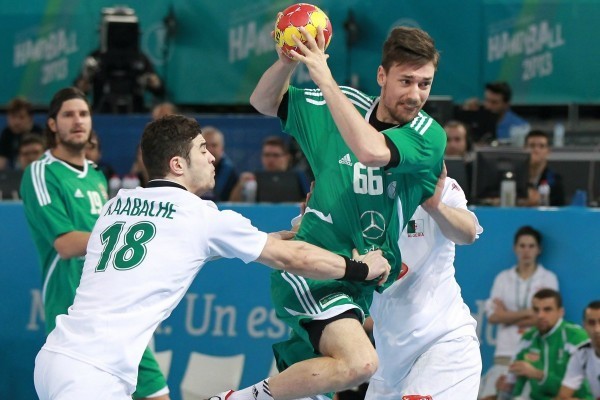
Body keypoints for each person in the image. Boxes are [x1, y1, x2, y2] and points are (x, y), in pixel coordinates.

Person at [32, 114, 391, 400]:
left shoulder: (117, 204)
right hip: (95, 373)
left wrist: (288, 233)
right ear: (178, 164)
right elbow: (292, 259)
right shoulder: (199, 216)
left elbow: (179, 248)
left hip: (58, 357)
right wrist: (361, 268)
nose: (212, 157)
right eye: (202, 149)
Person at [214, 24, 446, 400]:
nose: (415, 94)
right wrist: (287, 62)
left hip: (359, 285)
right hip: (314, 269)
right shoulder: (341, 101)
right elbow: (264, 102)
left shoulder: (427, 135)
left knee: (314, 383)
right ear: (382, 76)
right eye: (406, 81)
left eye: (425, 84)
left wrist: (324, 77)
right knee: (361, 363)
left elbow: (371, 151)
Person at [20, 87, 170, 400]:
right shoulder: (41, 172)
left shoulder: (96, 176)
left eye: (84, 114)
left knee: (157, 393)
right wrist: (134, 237)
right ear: (52, 124)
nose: (78, 121)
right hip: (73, 316)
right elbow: (65, 244)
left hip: (114, 312)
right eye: (68, 115)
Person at [366, 167, 483, 399]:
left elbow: (468, 233)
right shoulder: (360, 190)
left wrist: (435, 206)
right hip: (389, 364)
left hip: (442, 344)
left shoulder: (437, 186)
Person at [479, 225, 559, 400]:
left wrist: (506, 316)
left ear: (539, 249)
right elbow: (493, 316)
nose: (526, 251)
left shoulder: (548, 278)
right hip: (504, 354)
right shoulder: (502, 278)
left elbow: (548, 319)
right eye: (522, 246)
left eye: (531, 246)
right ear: (515, 248)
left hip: (535, 355)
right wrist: (528, 313)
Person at [501, 289, 592, 399]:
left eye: (547, 310)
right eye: (536, 310)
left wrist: (538, 375)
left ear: (561, 312)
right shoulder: (528, 338)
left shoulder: (577, 338)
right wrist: (505, 388)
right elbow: (514, 383)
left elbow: (584, 388)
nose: (540, 315)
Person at [229, 136, 309, 203]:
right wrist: (240, 185)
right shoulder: (252, 182)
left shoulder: (300, 178)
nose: (271, 159)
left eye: (275, 155)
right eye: (267, 155)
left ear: (287, 157)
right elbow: (234, 205)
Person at [557, 300, 600, 399]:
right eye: (591, 323)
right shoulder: (581, 353)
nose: (597, 329)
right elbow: (563, 396)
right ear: (584, 326)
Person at [521, 129, 565, 207]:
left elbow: (560, 208)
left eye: (541, 146)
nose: (536, 150)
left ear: (548, 151)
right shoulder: (514, 177)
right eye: (532, 146)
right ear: (524, 149)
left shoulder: (555, 180)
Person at [0, 97, 43, 170]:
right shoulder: (6, 134)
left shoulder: (40, 133)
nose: (16, 122)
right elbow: (2, 160)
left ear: (30, 118)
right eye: (13, 117)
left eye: (21, 117)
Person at [200, 126, 239, 202]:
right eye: (205, 145)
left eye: (214, 145)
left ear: (222, 148)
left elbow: (233, 202)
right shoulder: (188, 168)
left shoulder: (229, 171)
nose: (209, 149)